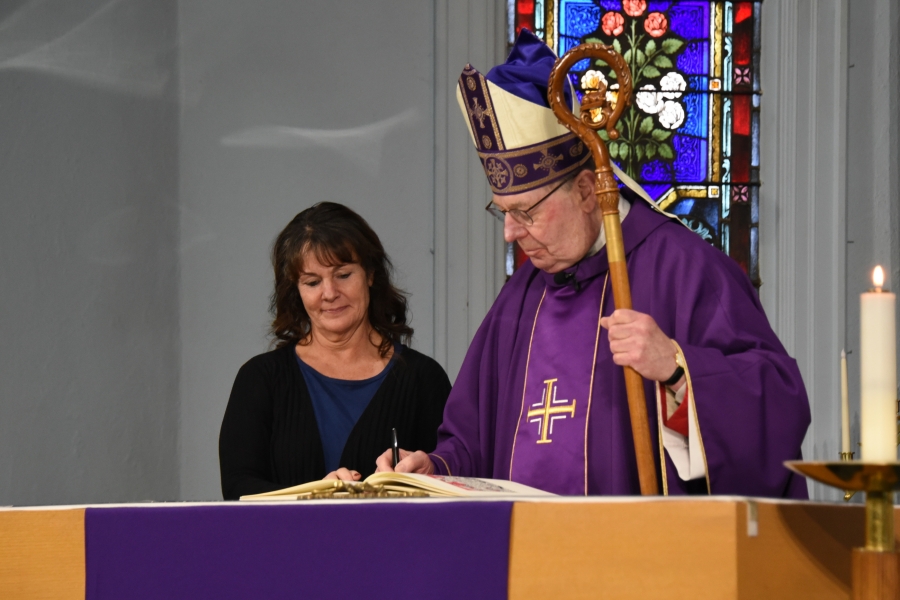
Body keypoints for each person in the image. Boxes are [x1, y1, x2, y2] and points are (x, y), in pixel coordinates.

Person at [376, 30, 810, 498]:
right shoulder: (520, 299)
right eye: (502, 212)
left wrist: (679, 369)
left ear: (586, 192)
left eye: (527, 211)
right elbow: (474, 442)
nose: (510, 232)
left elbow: (777, 405)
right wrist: (434, 467)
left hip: (645, 558)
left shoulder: (684, 270)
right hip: (528, 561)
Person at [219, 202, 451, 500]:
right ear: (296, 291)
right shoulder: (260, 379)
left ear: (370, 274)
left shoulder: (423, 379)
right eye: (313, 282)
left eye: (343, 275)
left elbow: (452, 487)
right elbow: (238, 489)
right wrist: (315, 496)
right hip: (285, 547)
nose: (329, 293)